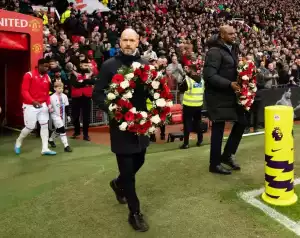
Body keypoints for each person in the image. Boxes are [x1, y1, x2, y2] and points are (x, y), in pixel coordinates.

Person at [93, 29, 149, 232]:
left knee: (140, 159)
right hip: (121, 124)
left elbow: (152, 90)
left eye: (131, 40)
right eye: (124, 40)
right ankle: (135, 213)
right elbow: (97, 94)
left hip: (142, 124)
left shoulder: (145, 64)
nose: (128, 43)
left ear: (137, 42)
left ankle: (118, 184)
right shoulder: (109, 65)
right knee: (128, 172)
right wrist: (113, 109)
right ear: (119, 42)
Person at [203, 25, 246, 175]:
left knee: (242, 121)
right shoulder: (214, 52)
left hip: (230, 94)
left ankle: (227, 155)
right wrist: (229, 84)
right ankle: (214, 164)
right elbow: (209, 76)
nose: (234, 35)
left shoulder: (232, 48)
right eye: (230, 33)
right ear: (221, 35)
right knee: (218, 129)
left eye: (234, 33)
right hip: (217, 96)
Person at [15, 58, 56, 155]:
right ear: (39, 65)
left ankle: (45, 149)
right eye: (45, 66)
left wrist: (49, 104)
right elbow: (24, 91)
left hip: (43, 105)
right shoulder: (29, 75)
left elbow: (47, 94)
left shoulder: (47, 77)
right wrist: (32, 101)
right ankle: (18, 141)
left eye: (48, 66)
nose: (47, 68)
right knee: (30, 127)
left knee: (44, 125)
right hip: (30, 105)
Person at [179, 62, 204, 149]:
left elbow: (180, 88)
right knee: (198, 122)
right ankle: (200, 140)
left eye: (188, 69)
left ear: (191, 70)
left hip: (189, 105)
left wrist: (185, 77)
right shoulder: (202, 80)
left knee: (187, 124)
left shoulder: (188, 80)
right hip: (199, 105)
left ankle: (186, 143)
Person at [70, 58, 95, 141]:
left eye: (87, 65)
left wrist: (82, 81)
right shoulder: (74, 74)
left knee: (86, 117)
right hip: (76, 97)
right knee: (74, 116)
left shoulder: (91, 73)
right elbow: (75, 84)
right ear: (80, 65)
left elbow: (93, 82)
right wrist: (85, 81)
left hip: (86, 97)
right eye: (85, 65)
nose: (86, 66)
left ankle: (86, 134)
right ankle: (77, 131)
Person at [48, 81, 72, 152]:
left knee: (58, 130)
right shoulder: (51, 97)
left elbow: (67, 106)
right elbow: (49, 105)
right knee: (62, 129)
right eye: (59, 88)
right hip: (55, 115)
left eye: (62, 88)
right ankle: (66, 146)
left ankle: (50, 139)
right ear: (55, 88)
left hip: (62, 115)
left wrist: (68, 115)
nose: (61, 89)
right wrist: (50, 108)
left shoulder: (65, 96)